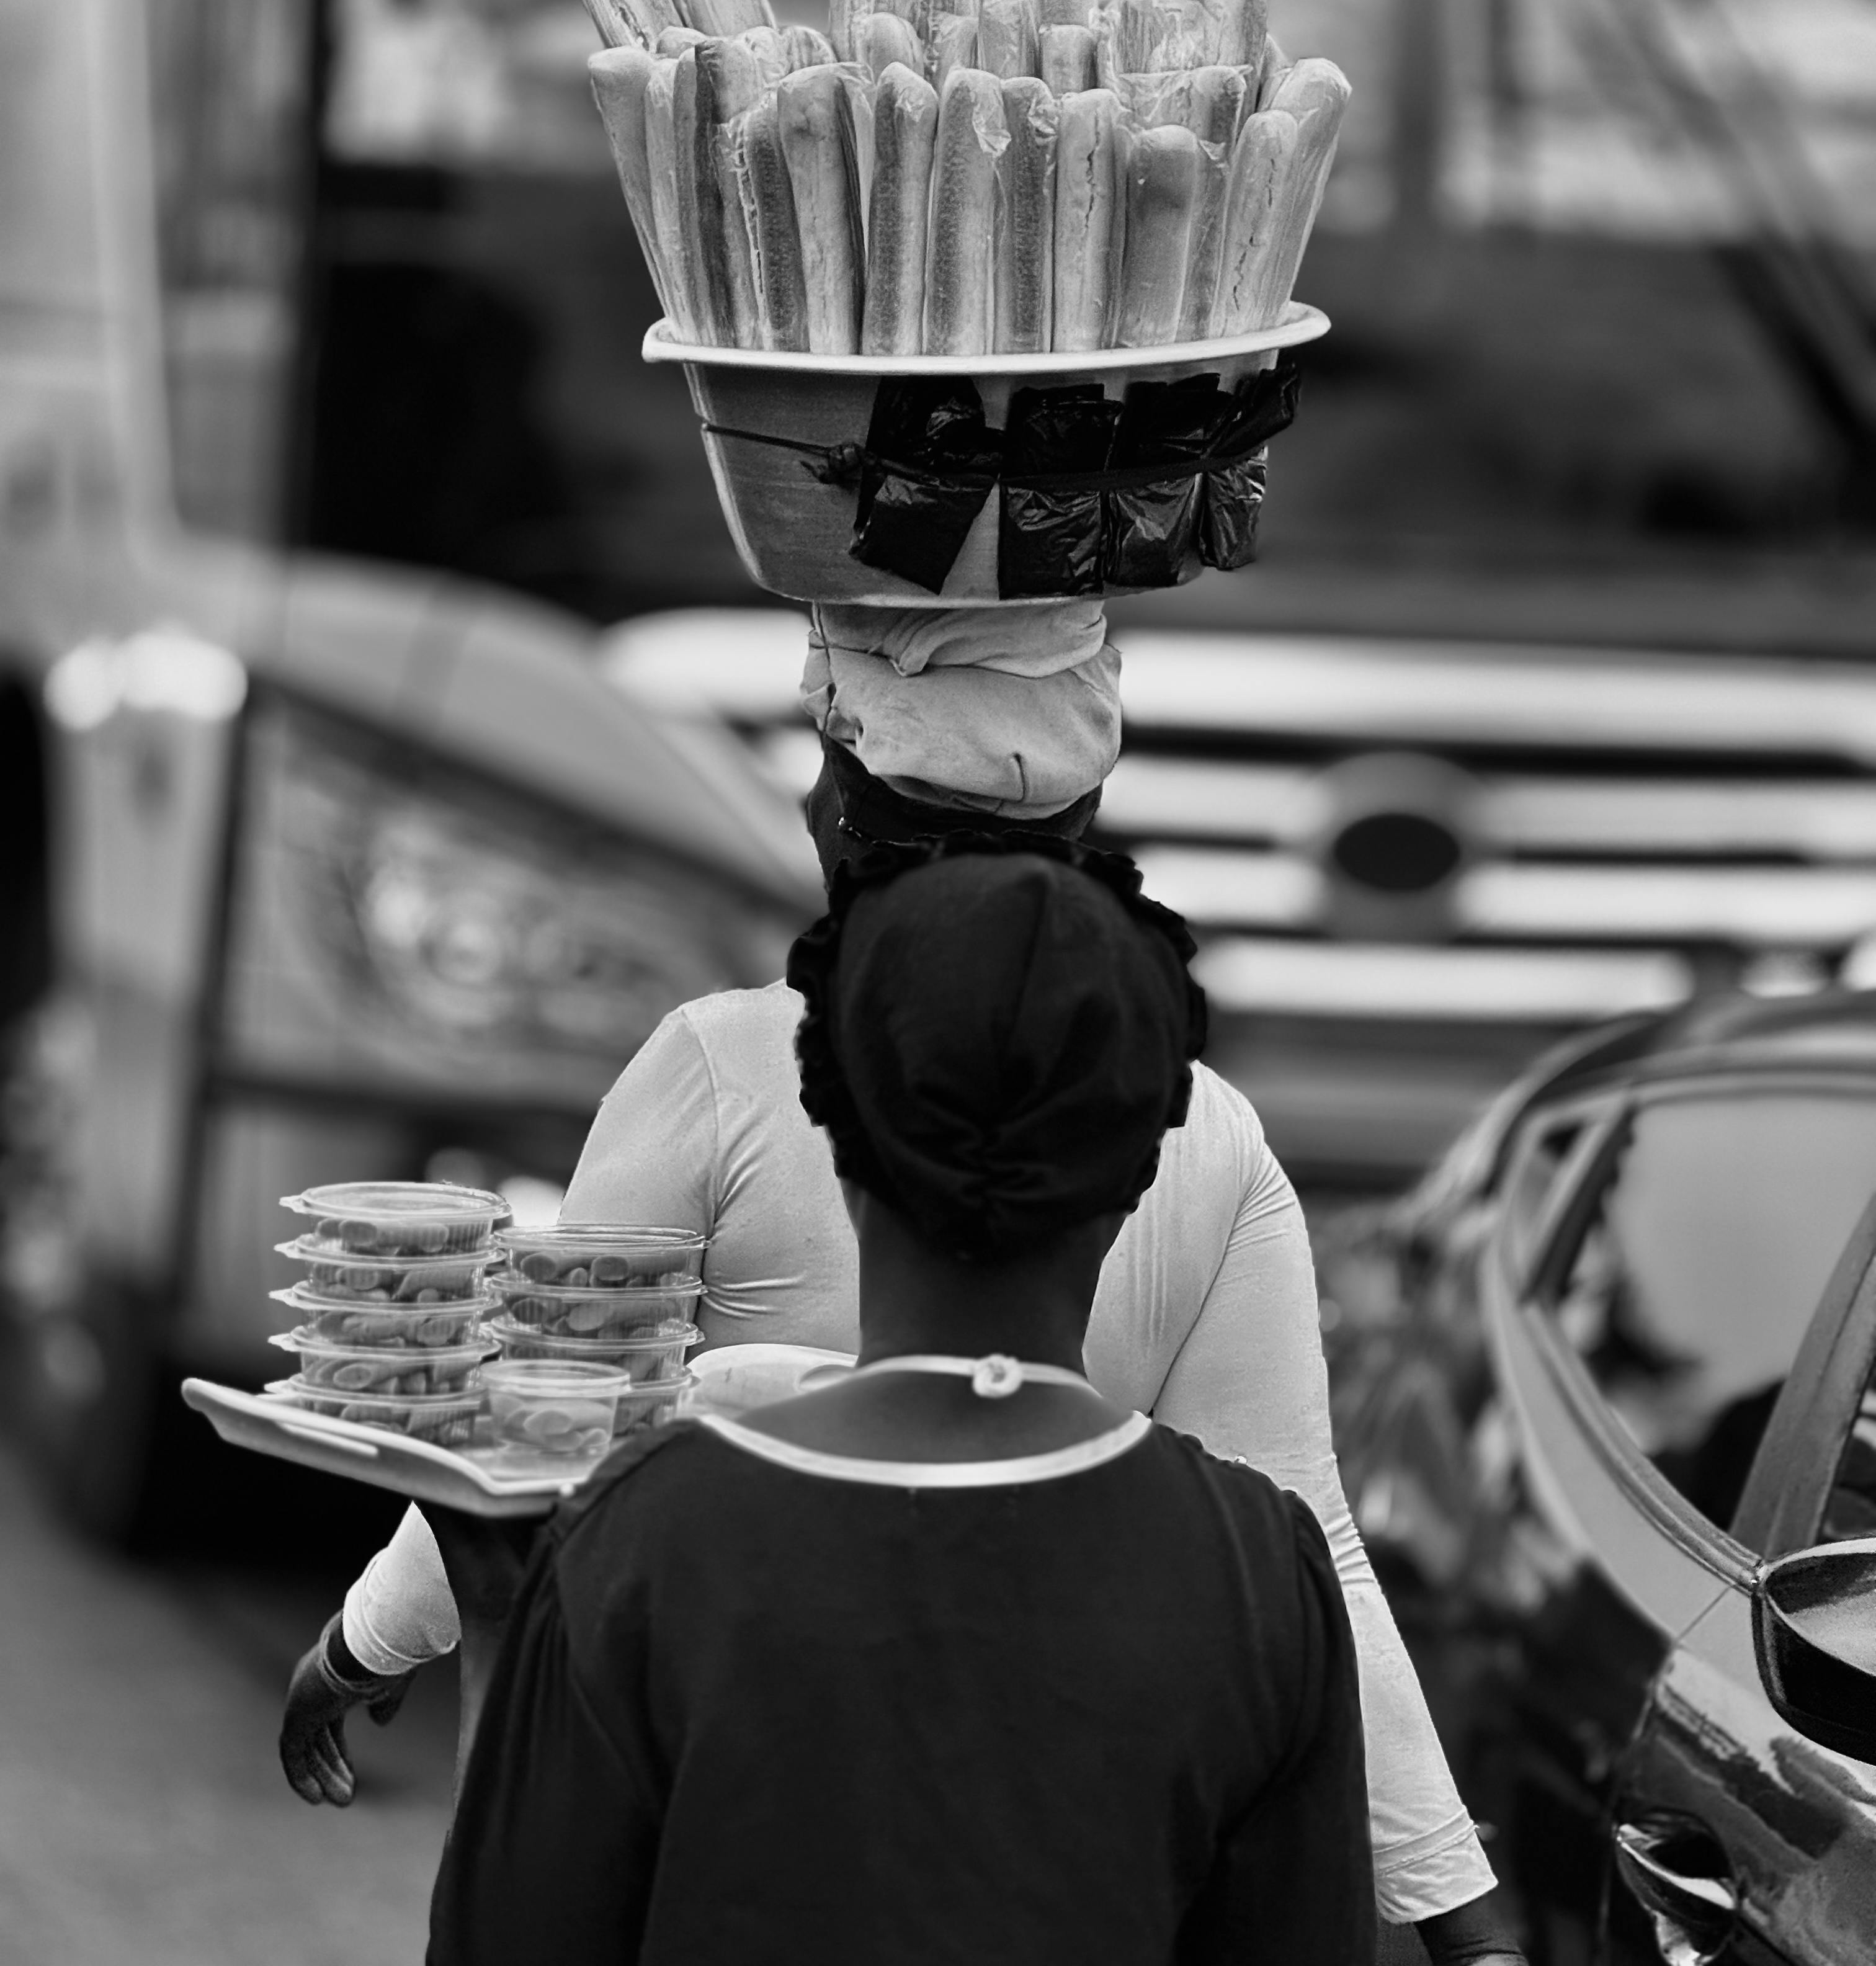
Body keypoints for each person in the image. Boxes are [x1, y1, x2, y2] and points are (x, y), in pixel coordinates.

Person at [282, 606, 1519, 1960]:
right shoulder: (1201, 1137)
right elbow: (1312, 1523)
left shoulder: (721, 1108)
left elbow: (548, 1406)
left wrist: (380, 1635)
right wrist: (1468, 1915)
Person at [428, 842, 1378, 1966]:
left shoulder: (649, 1538)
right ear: (1143, 1164)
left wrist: (500, 1621)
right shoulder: (1261, 1573)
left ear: (834, 1141)